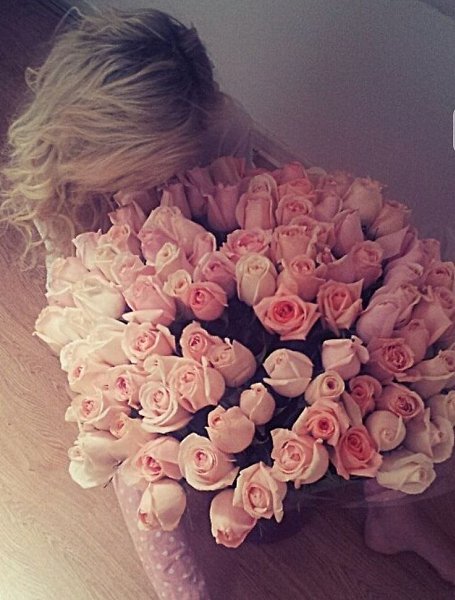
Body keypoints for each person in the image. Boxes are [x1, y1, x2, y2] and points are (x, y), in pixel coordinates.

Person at [0, 7, 252, 270]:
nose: (145, 181)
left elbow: (237, 238)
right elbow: (67, 270)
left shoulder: (224, 130)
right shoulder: (52, 163)